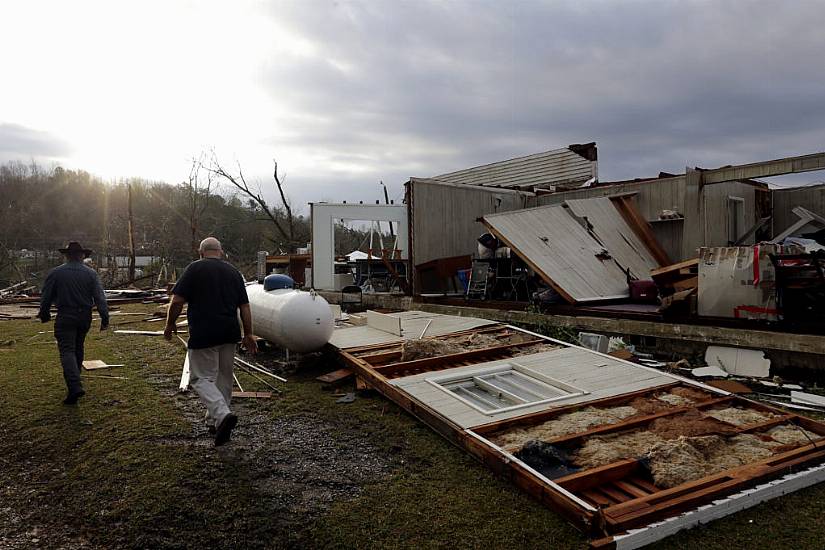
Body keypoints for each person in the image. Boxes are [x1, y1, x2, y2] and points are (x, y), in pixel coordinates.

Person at [164, 237, 257, 446]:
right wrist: (248, 334)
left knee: (200, 378)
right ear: (221, 252)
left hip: (204, 332)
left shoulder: (195, 269)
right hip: (229, 333)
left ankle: (222, 415)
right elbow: (245, 306)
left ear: (201, 252)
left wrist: (170, 324)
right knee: (224, 377)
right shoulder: (234, 272)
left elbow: (177, 300)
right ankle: (215, 421)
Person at [38, 241, 110, 405]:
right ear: (82, 256)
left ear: (67, 256)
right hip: (84, 316)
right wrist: (105, 317)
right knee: (78, 348)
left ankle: (74, 386)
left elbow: (46, 296)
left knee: (67, 351)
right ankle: (75, 382)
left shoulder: (56, 273)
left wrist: (44, 314)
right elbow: (100, 297)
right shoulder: (91, 274)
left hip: (65, 316)